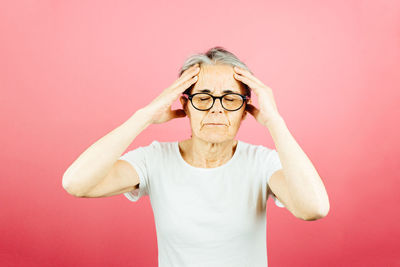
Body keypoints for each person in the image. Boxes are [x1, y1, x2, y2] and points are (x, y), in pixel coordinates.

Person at [62, 46, 330, 267]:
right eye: (203, 98)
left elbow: (314, 208)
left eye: (230, 99)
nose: (216, 110)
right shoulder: (154, 160)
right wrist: (143, 117)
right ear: (185, 106)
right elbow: (76, 183)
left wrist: (276, 123)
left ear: (246, 108)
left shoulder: (262, 163)